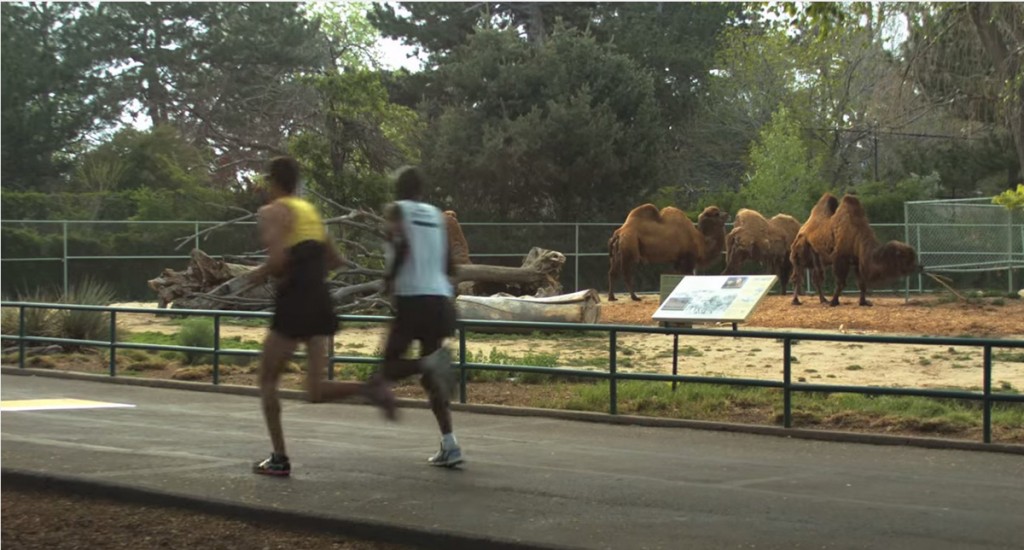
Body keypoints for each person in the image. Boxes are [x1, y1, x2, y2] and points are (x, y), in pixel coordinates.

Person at [249, 156, 392, 477]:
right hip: (320, 300)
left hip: (294, 300)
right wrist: (309, 272)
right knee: (314, 390)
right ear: (297, 182)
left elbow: (277, 260)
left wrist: (257, 275)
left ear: (273, 182)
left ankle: (279, 457)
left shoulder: (272, 212)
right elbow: (336, 259)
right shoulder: (312, 213)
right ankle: (369, 388)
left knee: (267, 379)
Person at [365, 165, 463, 467]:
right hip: (439, 300)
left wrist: (389, 278)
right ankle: (450, 444)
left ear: (398, 188)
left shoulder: (396, 210)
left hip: (411, 300)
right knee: (431, 380)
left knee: (388, 369)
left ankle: (429, 363)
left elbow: (402, 244)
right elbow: (450, 265)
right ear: (421, 190)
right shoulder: (436, 214)